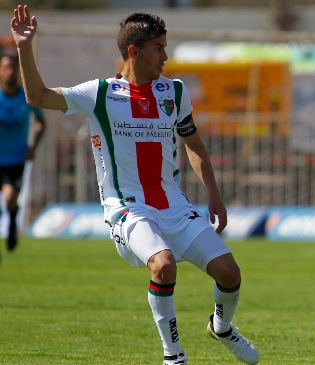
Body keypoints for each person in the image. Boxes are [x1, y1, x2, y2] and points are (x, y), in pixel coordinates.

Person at [11, 5, 259, 365]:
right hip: (128, 208)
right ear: (134, 51)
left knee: (230, 273)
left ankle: (221, 327)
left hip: (174, 206)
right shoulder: (99, 93)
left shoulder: (173, 92)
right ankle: (173, 356)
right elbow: (38, 97)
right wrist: (24, 47)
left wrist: (215, 197)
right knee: (164, 265)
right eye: (158, 47)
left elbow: (194, 145)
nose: (165, 56)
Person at [0, 51, 45, 256]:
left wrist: (32, 147)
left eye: (13, 68)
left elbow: (41, 123)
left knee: (10, 198)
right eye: (6, 68)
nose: (10, 72)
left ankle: (11, 222)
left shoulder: (25, 98)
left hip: (15, 159)